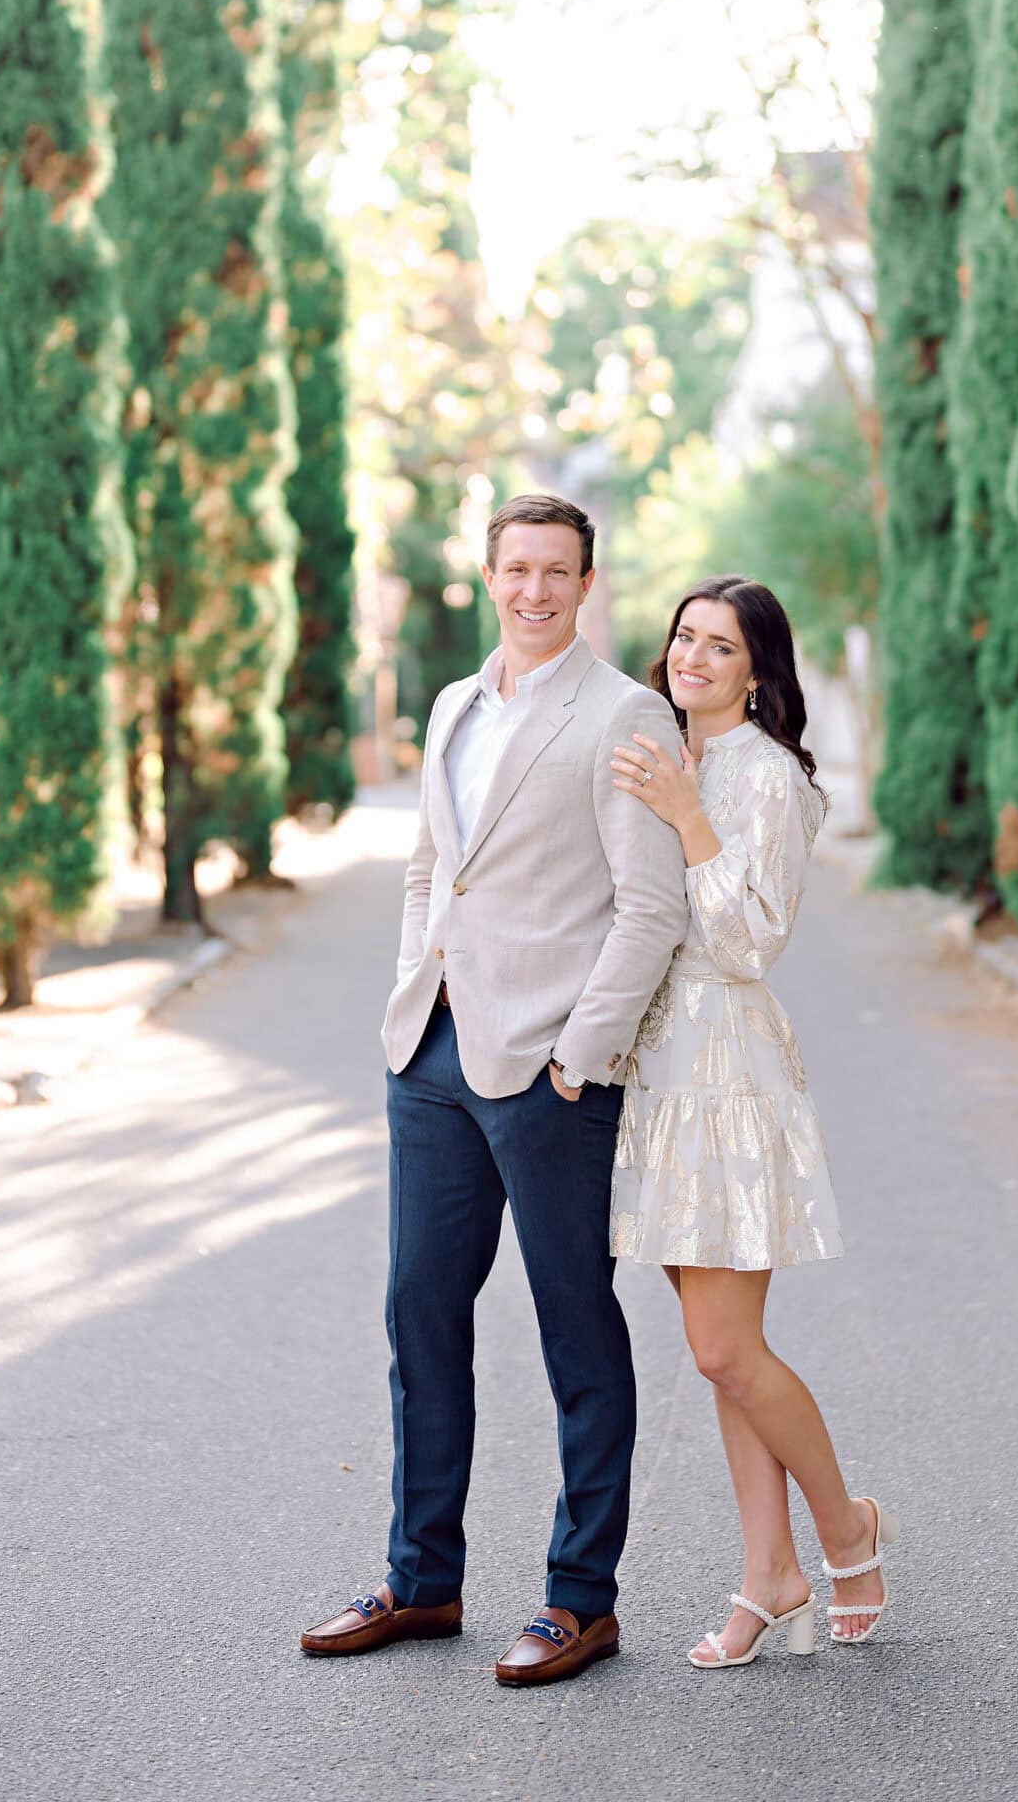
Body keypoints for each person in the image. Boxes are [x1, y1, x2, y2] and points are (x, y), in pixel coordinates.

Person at [300, 492, 688, 1687]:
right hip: (432, 1055)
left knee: (575, 1322)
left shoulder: (626, 713)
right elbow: (432, 867)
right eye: (516, 568)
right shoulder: (456, 705)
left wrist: (581, 1052)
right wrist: (410, 993)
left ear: (586, 582)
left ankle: (583, 1597)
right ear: (488, 572)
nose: (534, 590)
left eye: (556, 572)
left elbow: (651, 906)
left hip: (550, 1073)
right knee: (420, 1311)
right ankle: (422, 1579)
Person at [609, 575, 896, 1669]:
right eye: (685, 636)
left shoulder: (766, 777)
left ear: (758, 671)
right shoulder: (661, 747)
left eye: (720, 646)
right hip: (658, 1072)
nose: (694, 656)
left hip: (726, 1070)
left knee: (724, 1345)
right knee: (724, 1356)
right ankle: (770, 1575)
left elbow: (745, 941)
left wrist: (687, 816)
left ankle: (846, 1532)